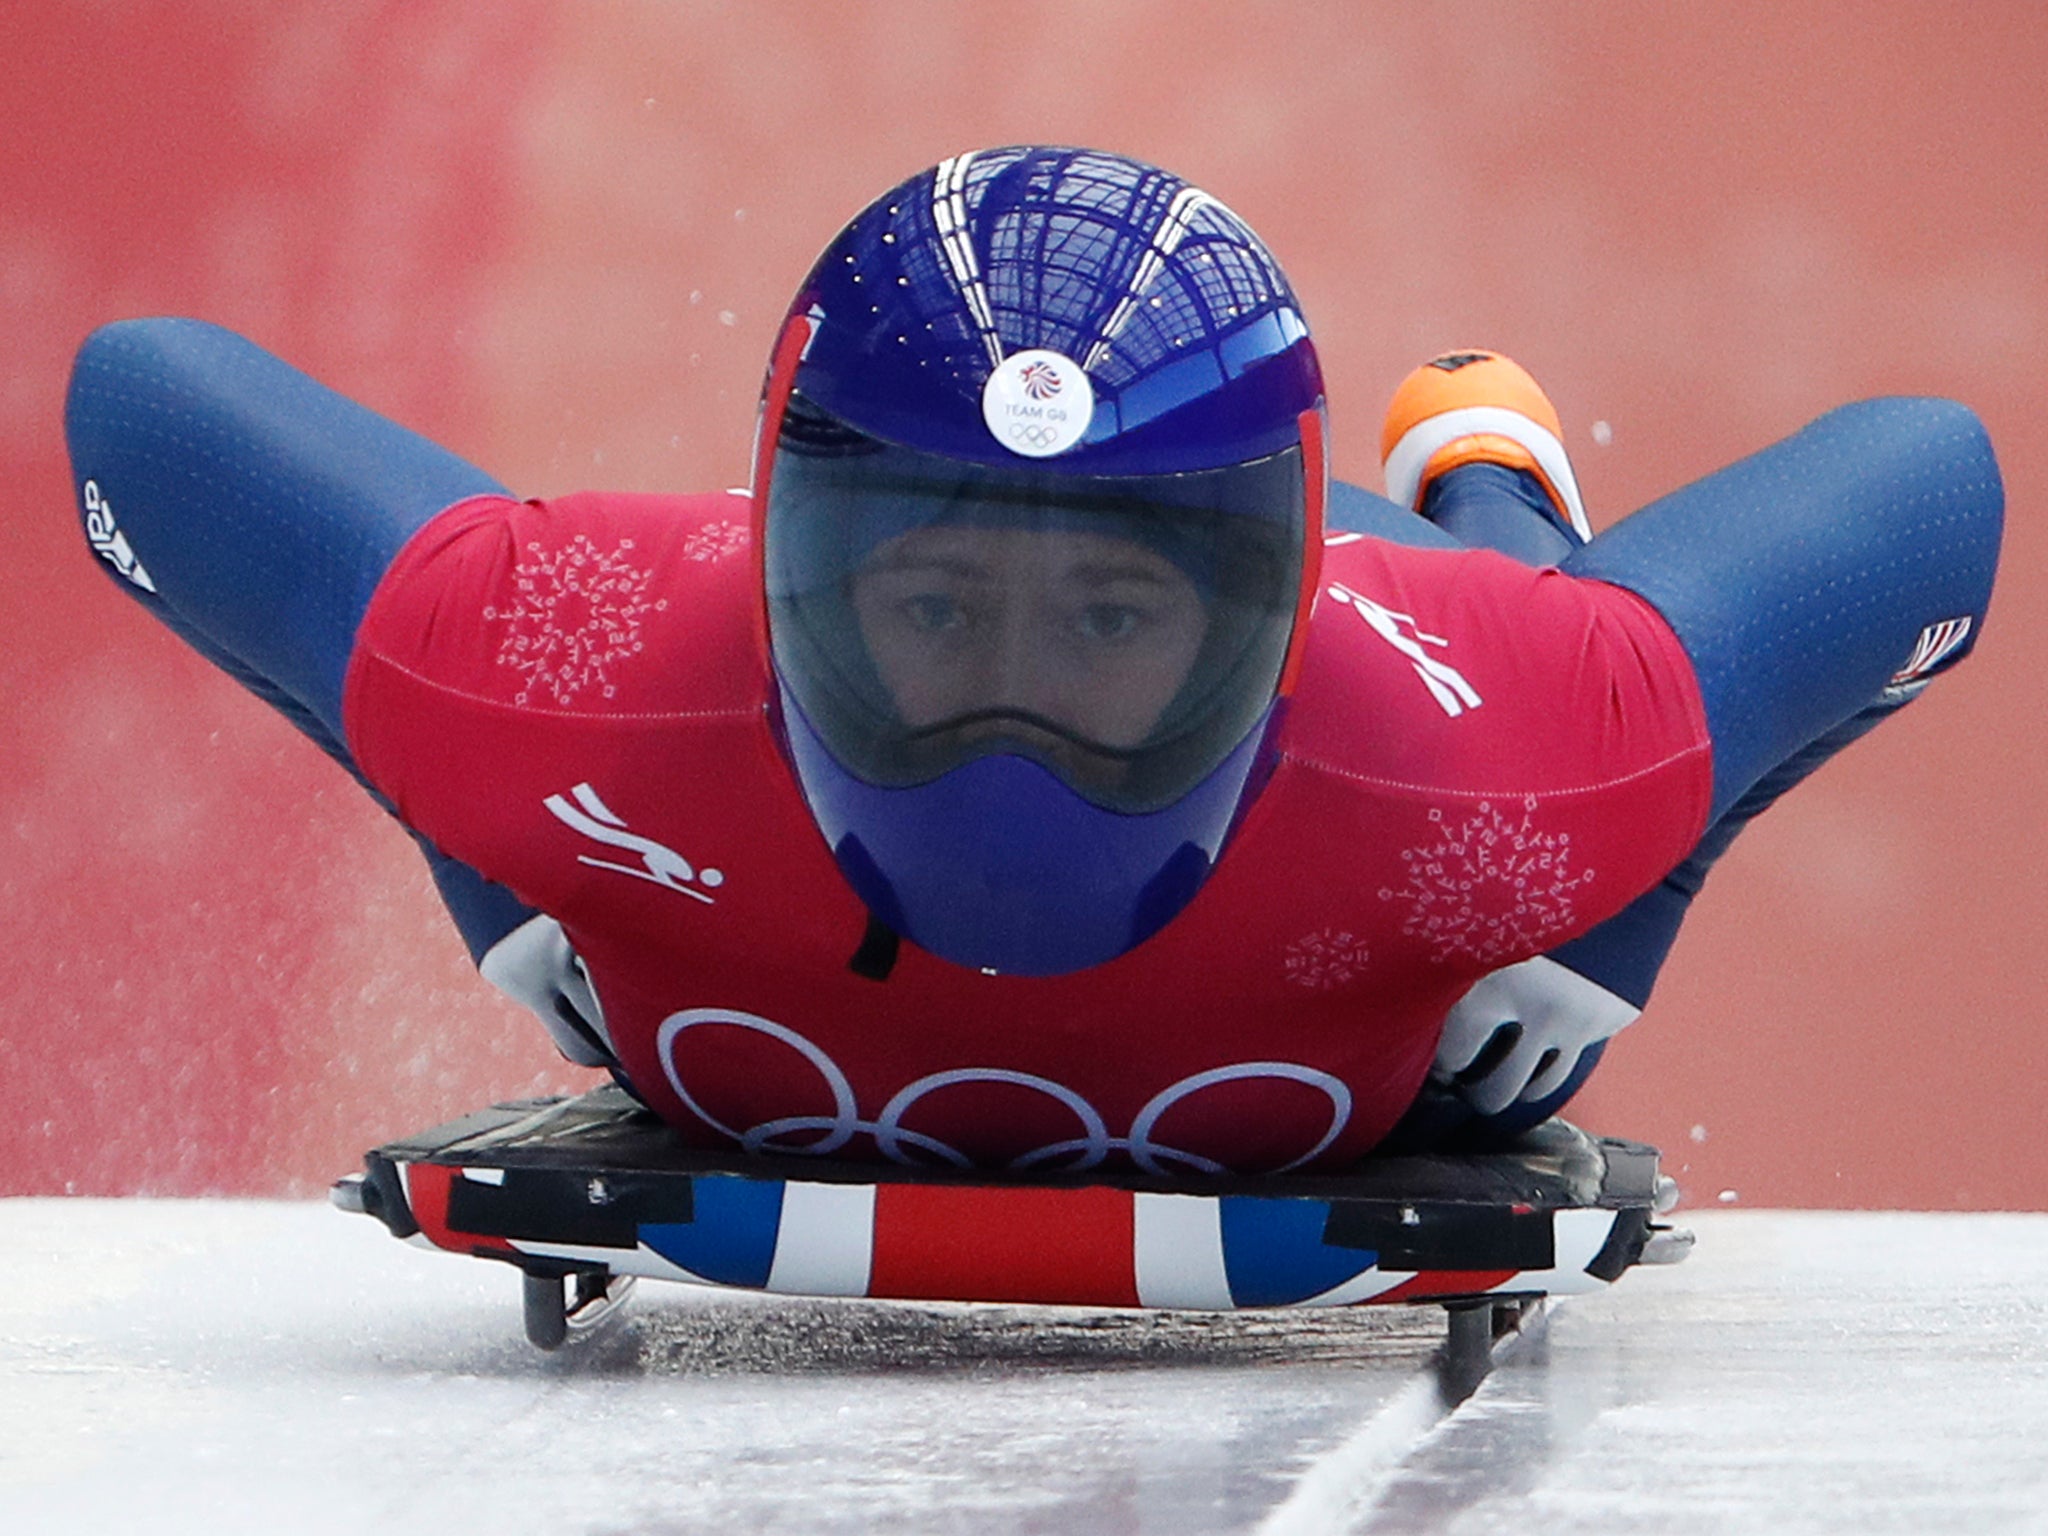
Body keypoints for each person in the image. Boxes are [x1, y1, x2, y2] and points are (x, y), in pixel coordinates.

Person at [66, 146, 2003, 1176]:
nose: (1013, 705)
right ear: (796, 576)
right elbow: (135, 402)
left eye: (1108, 614)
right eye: (932, 605)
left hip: (1422, 620)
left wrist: (1610, 909)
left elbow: (1938, 474)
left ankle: (1486, 475)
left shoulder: (1510, 772)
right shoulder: (558, 668)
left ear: (1259, 605)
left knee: (1549, 604)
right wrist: (480, 841)